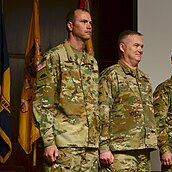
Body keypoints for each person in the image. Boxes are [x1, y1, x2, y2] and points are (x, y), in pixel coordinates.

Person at [33, 8, 99, 171]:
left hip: (90, 147)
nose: (89, 26)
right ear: (70, 26)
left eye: (90, 22)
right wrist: (49, 142)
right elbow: (43, 103)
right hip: (64, 145)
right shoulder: (54, 57)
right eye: (84, 22)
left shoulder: (91, 62)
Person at [99, 30, 157, 172]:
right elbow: (102, 111)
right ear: (122, 47)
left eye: (142, 47)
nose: (140, 50)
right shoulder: (111, 75)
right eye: (136, 45)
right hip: (120, 151)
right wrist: (103, 147)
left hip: (143, 150)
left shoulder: (144, 79)